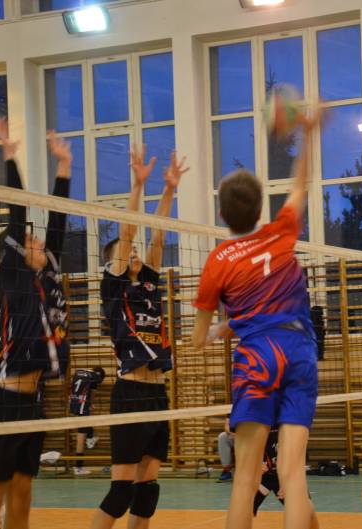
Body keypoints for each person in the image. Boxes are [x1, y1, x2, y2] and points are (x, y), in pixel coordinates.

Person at [192, 109, 321, 529]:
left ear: (222, 214)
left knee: (245, 479)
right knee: (293, 475)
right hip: (299, 350)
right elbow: (301, 184)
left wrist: (220, 327)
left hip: (257, 358)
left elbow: (198, 339)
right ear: (262, 207)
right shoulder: (281, 231)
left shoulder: (217, 262)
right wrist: (308, 132)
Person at [0, 117, 72, 529]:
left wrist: (64, 167)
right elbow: (18, 212)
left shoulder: (47, 277)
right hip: (2, 402)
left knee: (23, 494)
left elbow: (58, 222)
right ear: (13, 252)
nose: (39, 241)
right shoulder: (11, 276)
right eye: (30, 241)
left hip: (32, 402)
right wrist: (10, 157)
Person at [91, 147, 187, 529]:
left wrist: (169, 190)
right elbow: (128, 229)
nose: (133, 252)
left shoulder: (147, 282)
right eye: (127, 251)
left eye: (134, 251)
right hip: (129, 393)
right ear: (113, 260)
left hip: (157, 393)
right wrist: (137, 186)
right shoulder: (113, 287)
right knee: (121, 492)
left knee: (148, 491)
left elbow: (157, 235)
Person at [70, 366, 106, 475]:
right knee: (81, 436)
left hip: (74, 402)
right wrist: (90, 403)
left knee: (87, 422)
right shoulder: (95, 377)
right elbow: (93, 392)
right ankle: (78, 467)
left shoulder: (78, 372)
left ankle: (90, 438)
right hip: (82, 404)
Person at [217, 416, 234, 482]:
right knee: (223, 436)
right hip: (235, 436)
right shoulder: (232, 411)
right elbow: (227, 426)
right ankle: (227, 470)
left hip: (248, 436)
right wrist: (232, 434)